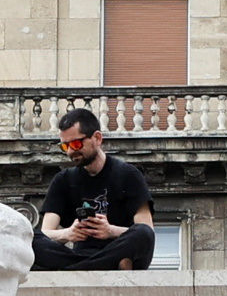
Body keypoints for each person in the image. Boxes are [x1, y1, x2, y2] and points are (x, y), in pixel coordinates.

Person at [37, 101, 156, 270]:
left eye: (76, 144)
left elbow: (147, 230)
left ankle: (75, 270)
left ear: (97, 138)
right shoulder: (63, 180)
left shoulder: (128, 174)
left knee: (142, 234)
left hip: (118, 250)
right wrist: (68, 233)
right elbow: (46, 233)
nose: (71, 151)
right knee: (29, 237)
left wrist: (110, 231)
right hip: (82, 256)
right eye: (65, 146)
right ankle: (91, 267)